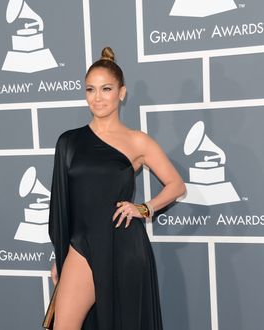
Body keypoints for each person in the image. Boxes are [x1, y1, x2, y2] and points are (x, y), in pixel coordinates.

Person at [48, 46, 186, 330]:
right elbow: (63, 206)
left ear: (121, 93)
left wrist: (144, 208)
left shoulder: (138, 142)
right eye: (90, 90)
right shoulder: (68, 142)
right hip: (81, 247)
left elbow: (176, 185)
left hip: (124, 247)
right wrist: (59, 257)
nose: (97, 98)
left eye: (106, 89)